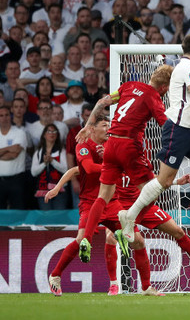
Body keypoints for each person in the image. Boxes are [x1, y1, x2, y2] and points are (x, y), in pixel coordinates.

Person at [114, 35, 190, 251]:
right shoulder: (187, 66)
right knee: (164, 181)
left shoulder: (189, 68)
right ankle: (129, 217)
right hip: (177, 129)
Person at [45, 115, 159, 297]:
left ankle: (146, 287)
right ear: (92, 129)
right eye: (104, 125)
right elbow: (86, 169)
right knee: (81, 238)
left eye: (110, 125)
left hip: (113, 202)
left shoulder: (111, 145)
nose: (108, 129)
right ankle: (55, 275)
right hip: (90, 203)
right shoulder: (83, 146)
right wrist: (58, 187)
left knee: (138, 241)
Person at [0, 106, 27, 209]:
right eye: (1, 115)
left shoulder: (20, 132)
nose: (4, 118)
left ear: (11, 116)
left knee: (19, 212)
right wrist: (8, 148)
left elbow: (14, 154)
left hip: (16, 180)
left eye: (7, 115)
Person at [31, 123, 68, 210]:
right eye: (49, 131)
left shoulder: (61, 151)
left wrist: (52, 161)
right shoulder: (38, 152)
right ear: (44, 135)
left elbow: (66, 169)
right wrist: (44, 163)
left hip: (59, 190)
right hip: (43, 190)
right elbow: (33, 172)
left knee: (59, 216)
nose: (52, 133)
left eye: (54, 131)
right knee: (46, 216)